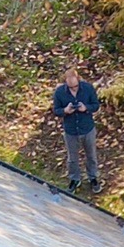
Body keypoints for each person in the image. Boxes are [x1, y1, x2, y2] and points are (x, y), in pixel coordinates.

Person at [51, 59, 101, 194]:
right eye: (71, 87)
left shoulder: (88, 88)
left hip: (87, 128)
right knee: (72, 158)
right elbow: (56, 110)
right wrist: (65, 111)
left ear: (78, 79)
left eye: (76, 86)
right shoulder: (60, 92)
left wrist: (86, 108)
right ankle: (74, 179)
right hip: (71, 130)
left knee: (91, 155)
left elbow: (96, 105)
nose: (74, 88)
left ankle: (93, 177)